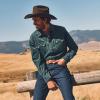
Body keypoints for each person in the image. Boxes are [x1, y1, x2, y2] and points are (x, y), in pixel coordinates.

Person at [24, 5, 78, 100]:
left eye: (36, 20)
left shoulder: (61, 31)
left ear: (45, 19)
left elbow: (74, 48)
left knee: (69, 98)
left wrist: (64, 59)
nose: (33, 23)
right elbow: (37, 60)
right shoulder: (34, 37)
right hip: (44, 70)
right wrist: (48, 79)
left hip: (60, 69)